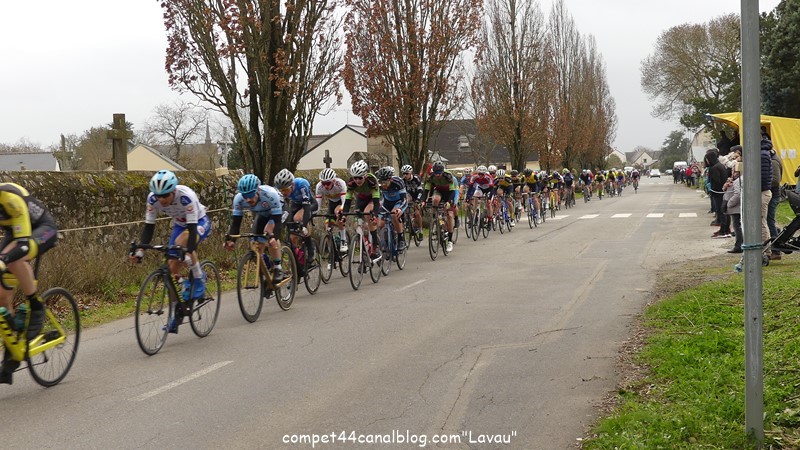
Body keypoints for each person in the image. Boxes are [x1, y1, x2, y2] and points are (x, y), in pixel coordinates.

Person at [131, 170, 210, 334]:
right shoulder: (152, 199)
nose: (162, 199)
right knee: (171, 268)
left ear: (173, 190)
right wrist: (140, 250)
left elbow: (192, 230)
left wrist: (188, 253)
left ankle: (199, 277)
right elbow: (149, 227)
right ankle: (176, 313)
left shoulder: (186, 197)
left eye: (165, 195)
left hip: (198, 222)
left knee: (181, 242)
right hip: (180, 225)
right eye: (158, 196)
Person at [0, 183, 58, 384]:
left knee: (13, 259)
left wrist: (4, 260)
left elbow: (23, 245)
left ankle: (36, 305)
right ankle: (13, 348)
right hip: (16, 231)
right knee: (2, 297)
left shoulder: (10, 199)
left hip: (43, 230)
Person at [224, 174, 286, 283]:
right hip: (262, 214)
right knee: (255, 242)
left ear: (258, 191)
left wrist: (274, 237)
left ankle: (278, 267)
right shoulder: (238, 199)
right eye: (245, 196)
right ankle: (267, 270)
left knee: (268, 232)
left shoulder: (270, 195)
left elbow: (277, 222)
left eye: (250, 195)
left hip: (277, 212)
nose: (248, 199)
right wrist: (232, 240)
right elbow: (236, 224)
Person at [341, 160, 381, 260]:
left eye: (360, 178)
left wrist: (375, 215)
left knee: (367, 213)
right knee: (356, 225)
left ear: (365, 175)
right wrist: (344, 216)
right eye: (355, 178)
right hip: (361, 199)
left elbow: (376, 202)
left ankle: (375, 245)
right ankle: (364, 248)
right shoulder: (351, 183)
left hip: (373, 198)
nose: (357, 180)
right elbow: (347, 202)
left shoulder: (372, 181)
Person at [423, 161, 458, 252]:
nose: (437, 175)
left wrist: (449, 202)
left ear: (443, 172)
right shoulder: (431, 176)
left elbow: (453, 192)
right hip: (438, 191)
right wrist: (423, 201)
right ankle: (435, 219)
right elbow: (426, 190)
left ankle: (450, 240)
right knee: (435, 200)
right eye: (436, 173)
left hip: (449, 192)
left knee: (449, 215)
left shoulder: (448, 176)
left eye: (439, 173)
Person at [315, 168, 349, 253]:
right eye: (323, 183)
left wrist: (341, 211)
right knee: (328, 226)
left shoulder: (340, 183)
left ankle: (343, 240)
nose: (325, 186)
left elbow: (344, 202)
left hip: (341, 202)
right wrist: (314, 213)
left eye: (328, 183)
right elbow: (317, 205)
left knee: (338, 213)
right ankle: (332, 252)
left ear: (333, 181)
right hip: (331, 203)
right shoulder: (319, 187)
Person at [375, 167, 407, 248]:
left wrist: (400, 209)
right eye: (381, 182)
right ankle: (385, 243)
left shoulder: (398, 182)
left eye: (384, 182)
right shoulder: (378, 185)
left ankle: (401, 238)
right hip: (387, 202)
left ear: (390, 179)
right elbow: (378, 199)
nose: (383, 185)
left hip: (398, 202)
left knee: (394, 215)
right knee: (380, 224)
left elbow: (404, 199)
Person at [767, 144, 783, 260]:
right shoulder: (773, 158)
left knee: (770, 222)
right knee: (770, 221)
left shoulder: (773, 161)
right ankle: (777, 233)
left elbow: (776, 181)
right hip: (773, 195)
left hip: (773, 195)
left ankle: (776, 250)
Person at [724, 162, 743, 253]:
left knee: (737, 226)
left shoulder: (738, 181)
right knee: (737, 226)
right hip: (736, 207)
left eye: (734, 170)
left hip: (736, 208)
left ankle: (738, 245)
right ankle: (739, 244)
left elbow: (738, 194)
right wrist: (726, 186)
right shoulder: (734, 181)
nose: (732, 172)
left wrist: (729, 203)